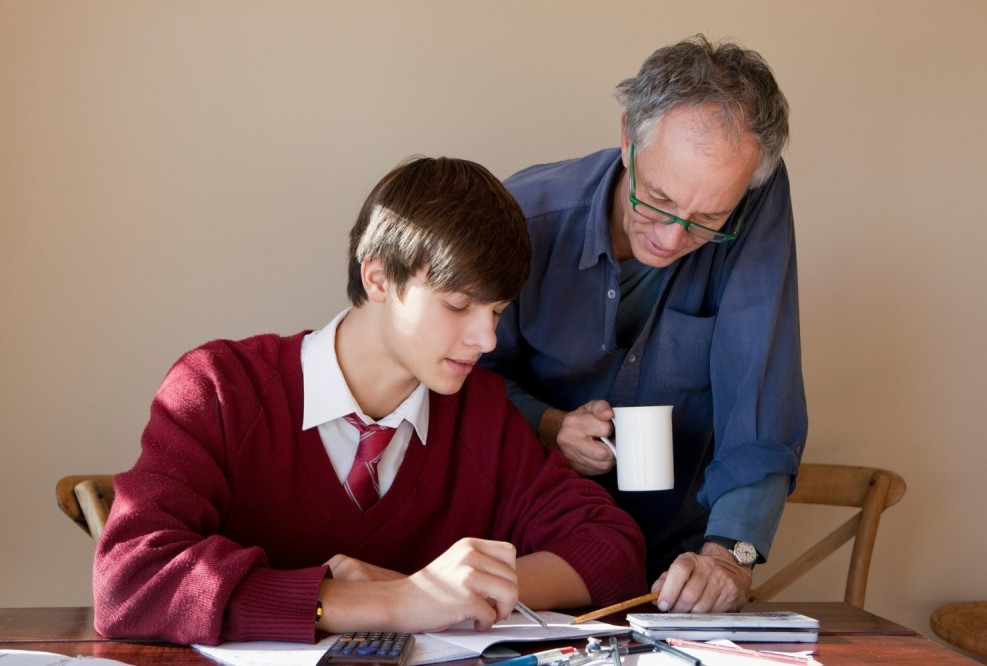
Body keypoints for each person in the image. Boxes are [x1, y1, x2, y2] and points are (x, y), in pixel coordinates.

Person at [92, 156, 647, 646]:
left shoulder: (482, 413)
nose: (487, 339)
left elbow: (611, 548)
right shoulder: (218, 388)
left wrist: (456, 589)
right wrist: (393, 602)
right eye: (458, 305)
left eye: (497, 311)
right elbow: (129, 581)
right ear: (378, 278)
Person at [480, 35, 807, 614]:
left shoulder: (751, 195)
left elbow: (759, 389)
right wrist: (549, 425)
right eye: (656, 199)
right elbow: (463, 383)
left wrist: (731, 555)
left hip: (680, 567)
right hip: (533, 559)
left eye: (708, 219)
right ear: (628, 138)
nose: (672, 239)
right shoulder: (524, 217)